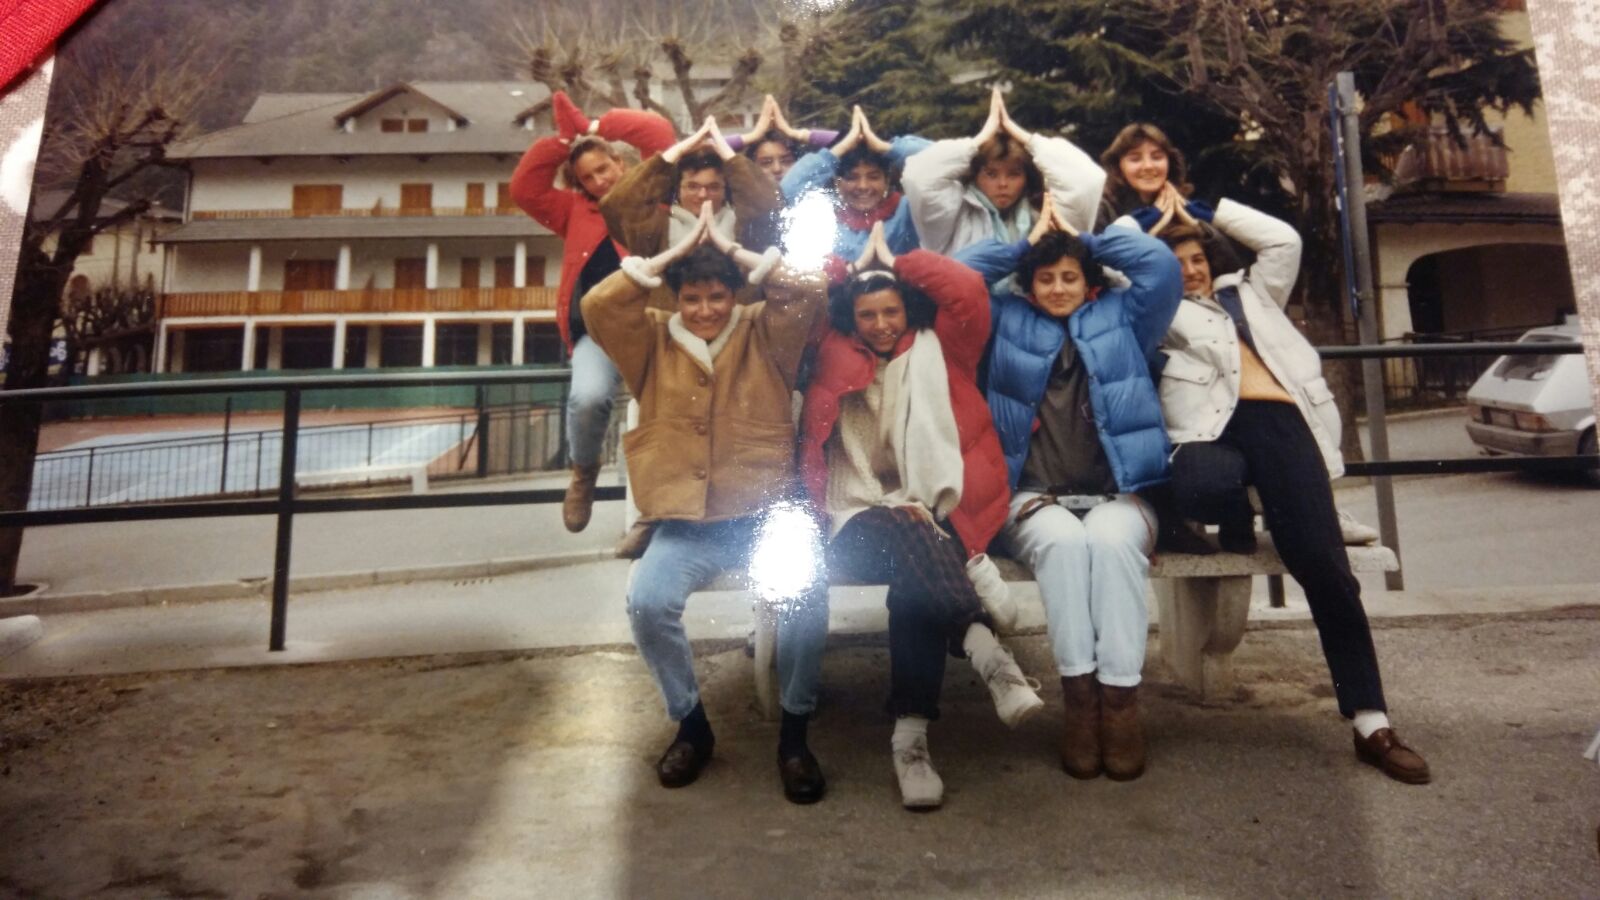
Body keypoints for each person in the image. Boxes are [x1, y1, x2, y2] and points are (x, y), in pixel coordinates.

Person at [1151, 198, 1431, 785]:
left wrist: (1209, 208)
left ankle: (1371, 720)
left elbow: (1283, 240)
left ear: (1211, 258)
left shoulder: (1254, 292)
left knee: (1326, 569)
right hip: (1209, 430)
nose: (1190, 271)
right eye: (1175, 264)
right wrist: (1147, 223)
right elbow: (1113, 265)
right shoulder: (1157, 308)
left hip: (1282, 426)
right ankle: (1252, 508)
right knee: (1201, 487)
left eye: (1196, 258)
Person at [581, 203, 830, 803]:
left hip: (766, 517)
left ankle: (794, 736)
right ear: (676, 300)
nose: (705, 309)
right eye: (691, 298)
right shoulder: (650, 342)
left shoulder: (766, 332)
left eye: (717, 296)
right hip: (687, 523)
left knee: (807, 593)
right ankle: (692, 725)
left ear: (735, 295)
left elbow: (809, 287)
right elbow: (597, 307)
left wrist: (737, 252)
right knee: (647, 602)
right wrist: (669, 256)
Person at [798, 222, 1041, 810]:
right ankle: (987, 652)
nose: (881, 324)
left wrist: (897, 260)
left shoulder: (943, 348)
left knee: (915, 570)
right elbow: (803, 289)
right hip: (851, 514)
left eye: (892, 311)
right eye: (867, 314)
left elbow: (968, 292)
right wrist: (851, 266)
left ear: (908, 309)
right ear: (849, 317)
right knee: (910, 532)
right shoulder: (829, 348)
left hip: (936, 514)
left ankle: (911, 745)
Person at [955, 194, 1182, 781]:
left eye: (1070, 276)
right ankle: (1079, 701)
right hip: (1033, 496)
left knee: (1109, 544)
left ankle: (1121, 702)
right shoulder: (1005, 321)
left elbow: (1161, 266)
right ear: (1029, 285)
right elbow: (959, 276)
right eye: (1046, 278)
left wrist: (1086, 238)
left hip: (1119, 494)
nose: (1058, 288)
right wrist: (1023, 246)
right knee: (1063, 544)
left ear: (1089, 281)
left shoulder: (1126, 318)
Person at [507, 91, 675, 538]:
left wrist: (595, 127)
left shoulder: (650, 193)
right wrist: (564, 141)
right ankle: (583, 473)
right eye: (587, 176)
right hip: (596, 332)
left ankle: (659, 514)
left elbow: (659, 133)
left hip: (654, 326)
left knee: (666, 415)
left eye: (604, 168)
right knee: (587, 398)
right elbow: (524, 188)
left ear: (620, 162)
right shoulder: (571, 210)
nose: (599, 180)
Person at [904, 87, 1105, 258]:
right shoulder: (953, 216)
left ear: (1026, 178)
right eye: (991, 174)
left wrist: (1028, 140)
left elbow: (1088, 181)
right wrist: (979, 141)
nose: (1002, 184)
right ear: (974, 175)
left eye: (1014, 174)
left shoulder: (1044, 218)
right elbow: (918, 177)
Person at [600, 115, 784, 262]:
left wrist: (729, 156)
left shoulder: (742, 225)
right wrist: (675, 153)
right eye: (692, 186)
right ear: (677, 190)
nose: (703, 195)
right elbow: (616, 205)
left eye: (713, 187)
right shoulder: (657, 230)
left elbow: (770, 204)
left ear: (725, 191)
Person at [780, 106, 931, 282]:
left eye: (873, 177)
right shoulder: (824, 215)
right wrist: (839, 149)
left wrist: (885, 147)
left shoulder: (907, 210)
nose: (863, 186)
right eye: (851, 178)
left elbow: (938, 160)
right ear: (837, 182)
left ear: (887, 180)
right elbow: (785, 190)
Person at [727, 94, 840, 183]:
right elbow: (714, 147)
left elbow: (847, 142)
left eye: (786, 161)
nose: (777, 169)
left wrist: (795, 133)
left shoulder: (810, 195)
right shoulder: (742, 200)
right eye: (766, 163)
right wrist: (753, 136)